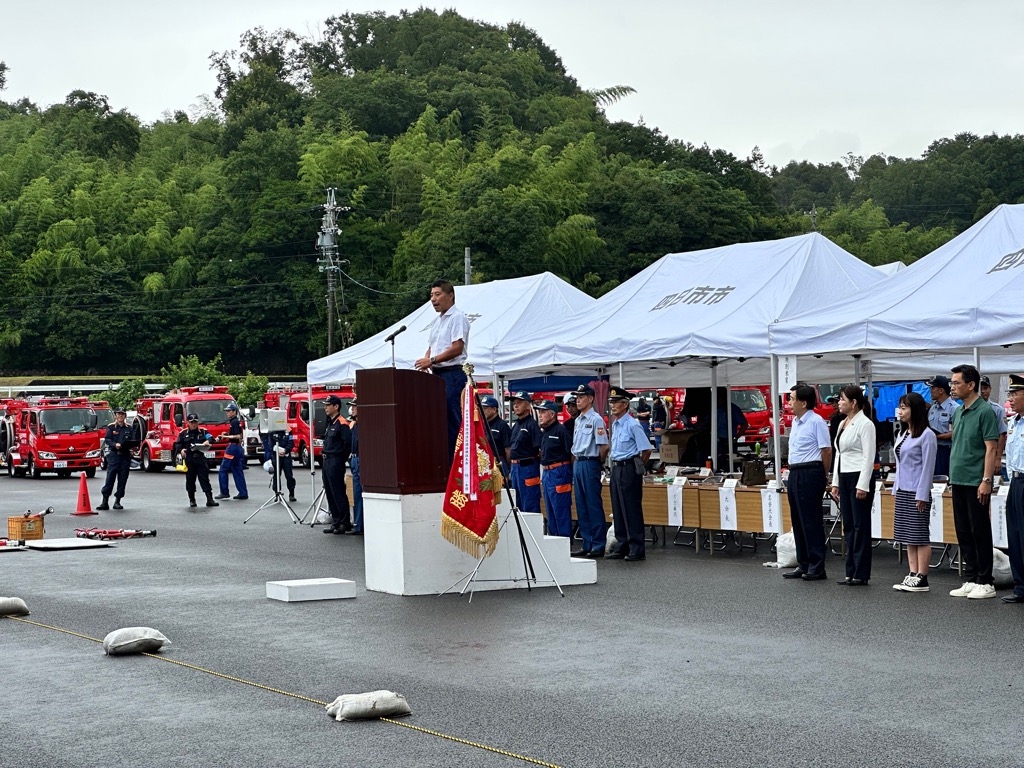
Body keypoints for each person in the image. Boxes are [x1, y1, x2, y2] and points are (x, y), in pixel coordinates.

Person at [947, 364, 1000, 599]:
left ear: (971, 385)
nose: (952, 387)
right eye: (951, 383)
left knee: (979, 529)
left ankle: (985, 580)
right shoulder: (958, 412)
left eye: (956, 383)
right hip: (958, 478)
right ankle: (971, 576)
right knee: (963, 530)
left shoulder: (985, 411)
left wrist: (986, 480)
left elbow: (991, 448)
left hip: (976, 479)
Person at [414, 279, 470, 463]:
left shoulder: (457, 317)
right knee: (439, 422)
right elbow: (432, 348)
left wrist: (431, 361)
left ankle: (456, 466)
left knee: (453, 422)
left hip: (452, 374)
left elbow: (457, 348)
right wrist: (425, 364)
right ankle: (444, 464)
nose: (433, 299)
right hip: (437, 375)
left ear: (450, 295)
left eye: (437, 294)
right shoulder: (436, 322)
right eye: (431, 295)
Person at [782, 385, 832, 581]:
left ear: (803, 402)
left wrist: (823, 474)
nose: (789, 403)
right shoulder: (795, 421)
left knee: (811, 520)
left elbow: (826, 450)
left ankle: (817, 565)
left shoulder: (816, 421)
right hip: (795, 471)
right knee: (798, 519)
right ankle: (803, 563)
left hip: (811, 470)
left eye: (792, 399)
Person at [891, 392, 938, 593]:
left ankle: (922, 576)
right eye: (900, 407)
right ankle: (912, 573)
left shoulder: (927, 435)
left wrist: (922, 494)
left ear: (915, 410)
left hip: (917, 490)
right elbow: (900, 465)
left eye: (904, 407)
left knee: (919, 534)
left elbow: (928, 467)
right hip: (903, 488)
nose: (900, 411)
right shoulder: (903, 434)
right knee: (907, 534)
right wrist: (895, 488)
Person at [830, 385, 877, 586]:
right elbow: (839, 454)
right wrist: (835, 483)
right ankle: (850, 570)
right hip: (844, 474)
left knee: (860, 525)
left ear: (854, 403)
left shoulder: (865, 424)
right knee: (848, 524)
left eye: (842, 399)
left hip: (859, 476)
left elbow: (868, 456)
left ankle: (861, 572)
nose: (839, 403)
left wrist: (863, 485)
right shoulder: (842, 424)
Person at [606, 386, 653, 561]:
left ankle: (636, 547)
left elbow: (646, 450)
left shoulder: (633, 425)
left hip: (629, 467)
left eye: (617, 402)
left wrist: (637, 467)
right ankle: (622, 544)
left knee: (631, 509)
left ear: (625, 405)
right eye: (612, 402)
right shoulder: (616, 424)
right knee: (618, 508)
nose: (613, 405)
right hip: (617, 467)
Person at [570, 383, 609, 558]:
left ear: (591, 399)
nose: (577, 400)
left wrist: (597, 462)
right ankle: (587, 542)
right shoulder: (578, 420)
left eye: (581, 397)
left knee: (593, 504)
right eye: (577, 397)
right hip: (578, 462)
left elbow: (603, 447)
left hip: (590, 462)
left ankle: (598, 543)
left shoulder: (596, 419)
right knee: (581, 504)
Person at [1001, 374, 1024, 604]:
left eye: (1015, 394)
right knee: (1015, 535)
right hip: (1015, 481)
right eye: (1009, 394)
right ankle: (1020, 586)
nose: (1011, 399)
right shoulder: (1013, 422)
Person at [537, 400, 573, 538]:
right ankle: (554, 541)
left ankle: (564, 542)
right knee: (550, 510)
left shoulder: (561, 430)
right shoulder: (545, 431)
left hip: (559, 471)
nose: (540, 415)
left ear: (552, 414)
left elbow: (571, 453)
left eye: (543, 412)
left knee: (560, 510)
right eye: (539, 412)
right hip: (547, 472)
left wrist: (568, 474)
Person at [321, 394, 353, 535]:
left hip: (335, 460)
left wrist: (340, 459)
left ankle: (344, 522)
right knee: (329, 491)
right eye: (325, 405)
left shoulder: (342, 423)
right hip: (327, 459)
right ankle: (336, 521)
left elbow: (347, 444)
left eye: (328, 405)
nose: (325, 408)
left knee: (338, 491)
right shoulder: (331, 422)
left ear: (336, 406)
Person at [172, 414, 219, 508]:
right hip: (189, 459)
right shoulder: (183, 433)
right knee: (190, 480)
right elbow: (177, 445)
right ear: (188, 423)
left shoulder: (203, 431)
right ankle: (192, 500)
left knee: (205, 479)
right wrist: (181, 450)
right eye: (192, 422)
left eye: (195, 422)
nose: (194, 424)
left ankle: (210, 499)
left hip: (200, 458)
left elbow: (211, 438)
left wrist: (208, 441)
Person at [508, 391, 542, 514]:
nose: (516, 405)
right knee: (517, 504)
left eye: (519, 403)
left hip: (527, 467)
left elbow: (539, 450)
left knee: (530, 503)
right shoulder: (516, 425)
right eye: (514, 403)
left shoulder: (532, 425)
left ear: (528, 406)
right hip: (515, 468)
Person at [97, 406, 134, 511]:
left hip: (125, 456)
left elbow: (133, 440)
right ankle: (105, 501)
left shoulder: (129, 428)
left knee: (122, 479)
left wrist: (132, 446)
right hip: (114, 455)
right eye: (118, 414)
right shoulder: (111, 427)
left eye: (122, 414)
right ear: (115, 416)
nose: (120, 416)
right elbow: (107, 440)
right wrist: (115, 444)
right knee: (110, 478)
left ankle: (117, 501)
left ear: (125, 416)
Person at [215, 403, 248, 500]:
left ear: (235, 412)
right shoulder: (234, 422)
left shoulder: (234, 422)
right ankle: (243, 493)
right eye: (226, 411)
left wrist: (225, 437)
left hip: (233, 448)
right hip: (237, 448)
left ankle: (224, 492)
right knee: (237, 470)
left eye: (229, 411)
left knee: (223, 470)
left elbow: (238, 436)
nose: (227, 413)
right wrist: (227, 434)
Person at [926, 375, 957, 476]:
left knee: (944, 480)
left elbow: (956, 432)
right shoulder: (932, 409)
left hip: (946, 450)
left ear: (941, 390)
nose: (930, 390)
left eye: (933, 388)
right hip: (932, 449)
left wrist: (937, 436)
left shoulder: (954, 408)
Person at [980, 375, 1008, 477]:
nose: (983, 391)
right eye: (981, 388)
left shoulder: (997, 409)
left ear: (990, 389)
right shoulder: (970, 409)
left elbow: (1002, 434)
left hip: (991, 452)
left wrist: (998, 458)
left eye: (986, 388)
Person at [264, 427, 297, 502]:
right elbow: (270, 444)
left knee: (289, 475)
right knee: (276, 476)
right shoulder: (272, 431)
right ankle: (277, 494)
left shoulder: (288, 430)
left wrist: (285, 451)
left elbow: (291, 442)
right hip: (276, 456)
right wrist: (276, 452)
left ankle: (291, 494)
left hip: (286, 456)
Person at [481, 394, 511, 476]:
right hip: (484, 463)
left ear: (494, 409)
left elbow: (508, 449)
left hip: (499, 462)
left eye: (485, 408)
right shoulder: (482, 425)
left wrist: (508, 468)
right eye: (482, 408)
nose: (482, 411)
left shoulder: (502, 425)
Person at [347, 399, 364, 535]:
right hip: (354, 458)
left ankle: (362, 524)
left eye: (354, 406)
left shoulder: (363, 425)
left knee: (361, 492)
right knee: (356, 494)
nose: (352, 409)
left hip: (360, 459)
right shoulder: (355, 425)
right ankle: (358, 524)